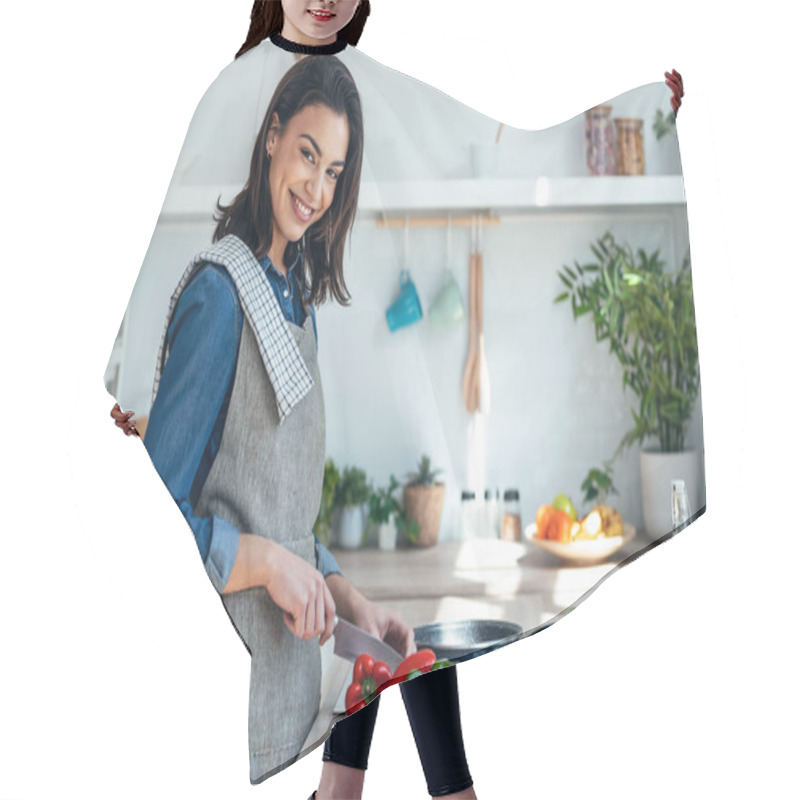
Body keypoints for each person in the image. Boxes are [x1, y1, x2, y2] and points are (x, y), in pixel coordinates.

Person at [109, 3, 686, 797]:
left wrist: (639, 114)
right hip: (245, 647)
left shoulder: (292, 294)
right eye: (306, 154)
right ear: (269, 133)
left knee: (402, 637)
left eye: (335, 171)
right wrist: (141, 384)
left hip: (299, 631)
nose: (316, 188)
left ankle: (353, 792)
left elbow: (275, 501)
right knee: (408, 646)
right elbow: (166, 507)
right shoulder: (224, 288)